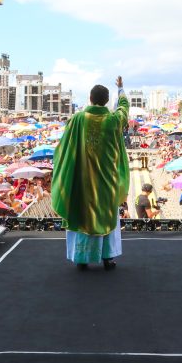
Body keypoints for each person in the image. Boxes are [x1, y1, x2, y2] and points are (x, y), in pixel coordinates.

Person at [52, 77, 129, 270]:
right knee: (108, 219)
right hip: (107, 183)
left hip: (83, 181)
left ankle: (81, 258)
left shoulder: (77, 119)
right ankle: (108, 258)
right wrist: (121, 88)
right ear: (105, 100)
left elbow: (64, 147)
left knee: (82, 218)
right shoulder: (113, 120)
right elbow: (124, 108)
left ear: (90, 99)